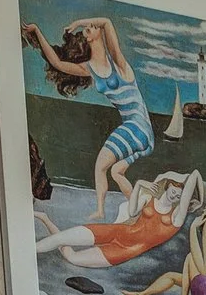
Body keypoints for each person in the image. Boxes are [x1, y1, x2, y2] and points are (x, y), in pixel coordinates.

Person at [21, 16, 156, 218]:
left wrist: (78, 23)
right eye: (88, 28)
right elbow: (57, 62)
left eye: (92, 27)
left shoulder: (118, 63)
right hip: (142, 132)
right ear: (89, 39)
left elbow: (107, 22)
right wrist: (37, 30)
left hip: (138, 126)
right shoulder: (88, 69)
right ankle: (142, 213)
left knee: (100, 166)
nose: (91, 27)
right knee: (116, 172)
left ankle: (101, 211)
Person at [33, 171, 205, 269]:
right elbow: (132, 211)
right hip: (117, 231)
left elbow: (195, 174)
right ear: (167, 186)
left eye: (180, 194)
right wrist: (139, 184)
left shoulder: (177, 216)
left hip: (126, 249)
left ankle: (46, 220)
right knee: (59, 239)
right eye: (173, 189)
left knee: (72, 258)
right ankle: (26, 252)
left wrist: (199, 197)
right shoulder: (150, 200)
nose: (175, 194)